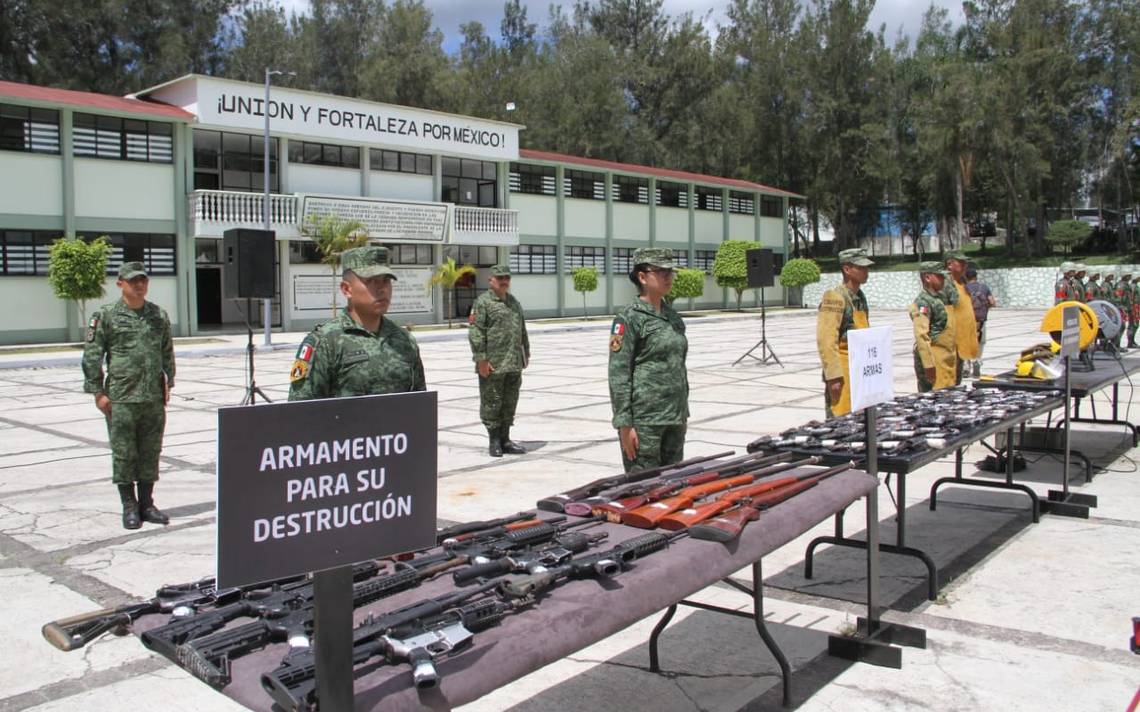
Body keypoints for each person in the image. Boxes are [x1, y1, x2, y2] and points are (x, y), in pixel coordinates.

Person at [82, 261, 175, 530]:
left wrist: (169, 379)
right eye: (133, 280)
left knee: (151, 451)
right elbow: (92, 356)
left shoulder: (159, 315)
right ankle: (129, 506)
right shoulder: (106, 315)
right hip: (121, 397)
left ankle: (147, 504)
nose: (139, 284)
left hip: (153, 398)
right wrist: (98, 392)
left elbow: (166, 350)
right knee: (124, 454)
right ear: (120, 283)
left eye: (143, 279)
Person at [289, 246, 425, 401]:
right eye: (371, 281)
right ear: (347, 289)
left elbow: (418, 407)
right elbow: (300, 412)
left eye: (386, 281)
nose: (382, 289)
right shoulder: (325, 342)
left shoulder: (404, 340)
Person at [608, 247, 689, 472]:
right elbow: (618, 373)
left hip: (674, 417)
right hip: (645, 422)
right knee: (643, 490)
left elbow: (678, 366)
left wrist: (682, 413)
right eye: (660, 272)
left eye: (670, 272)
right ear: (642, 277)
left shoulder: (672, 317)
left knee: (672, 488)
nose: (668, 277)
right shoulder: (628, 318)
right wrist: (624, 424)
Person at [468, 264, 530, 457]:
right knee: (491, 402)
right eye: (500, 278)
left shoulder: (513, 302)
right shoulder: (483, 302)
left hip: (513, 362)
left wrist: (526, 353)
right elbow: (475, 332)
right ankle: (494, 440)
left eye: (507, 278)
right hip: (493, 364)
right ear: (491, 280)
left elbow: (522, 329)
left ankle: (506, 439)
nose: (504, 281)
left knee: (509, 402)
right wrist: (481, 359)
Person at [816, 247, 873, 418]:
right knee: (840, 420)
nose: (866, 271)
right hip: (843, 371)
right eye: (861, 267)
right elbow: (826, 339)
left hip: (859, 367)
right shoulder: (834, 297)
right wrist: (833, 376)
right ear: (847, 269)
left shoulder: (860, 297)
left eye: (866, 267)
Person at [910, 261, 957, 392]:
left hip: (944, 359)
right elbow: (921, 335)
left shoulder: (938, 299)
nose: (943, 279)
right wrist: (928, 364)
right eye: (940, 276)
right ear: (927, 278)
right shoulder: (923, 302)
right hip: (933, 361)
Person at [943, 249, 978, 383]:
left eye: (966, 263)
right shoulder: (945, 284)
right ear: (949, 264)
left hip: (961, 346)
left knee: (956, 383)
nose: (965, 266)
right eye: (961, 262)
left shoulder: (962, 282)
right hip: (950, 346)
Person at [964, 268, 996, 378]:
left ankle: (966, 366)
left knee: (966, 343)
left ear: (966, 277)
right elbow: (992, 302)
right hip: (981, 321)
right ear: (976, 276)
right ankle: (977, 361)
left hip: (967, 321)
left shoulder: (964, 288)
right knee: (980, 343)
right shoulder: (984, 287)